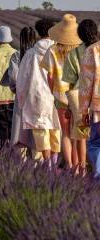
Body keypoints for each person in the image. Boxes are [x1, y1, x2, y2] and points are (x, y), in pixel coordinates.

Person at [40, 14, 82, 169]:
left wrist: (51, 91)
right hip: (78, 96)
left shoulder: (52, 50)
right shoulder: (80, 50)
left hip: (60, 96)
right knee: (77, 135)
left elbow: (50, 75)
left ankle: (70, 165)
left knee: (64, 133)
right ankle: (78, 166)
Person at [17, 17, 59, 167]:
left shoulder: (31, 54)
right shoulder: (59, 51)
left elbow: (22, 79)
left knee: (42, 133)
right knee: (56, 131)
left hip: (37, 97)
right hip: (57, 96)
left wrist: (22, 101)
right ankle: (54, 164)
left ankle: (47, 166)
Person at [63, 19, 98, 175]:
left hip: (83, 99)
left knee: (82, 137)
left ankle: (83, 170)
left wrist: (70, 107)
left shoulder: (75, 53)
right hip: (94, 99)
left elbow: (72, 82)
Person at [5, 27, 37, 157]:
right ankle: (37, 162)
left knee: (20, 130)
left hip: (21, 96)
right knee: (36, 130)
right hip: (37, 95)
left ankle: (20, 161)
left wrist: (15, 90)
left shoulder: (17, 55)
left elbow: (13, 77)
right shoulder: (39, 54)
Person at [79, 39, 100, 179]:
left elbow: (86, 84)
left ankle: (98, 176)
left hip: (98, 106)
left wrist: (83, 110)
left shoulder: (92, 50)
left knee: (95, 142)